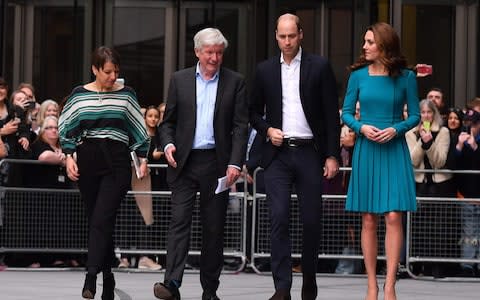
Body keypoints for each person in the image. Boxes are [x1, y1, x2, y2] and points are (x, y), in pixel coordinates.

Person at [153, 28, 248, 300]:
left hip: (217, 164)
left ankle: (210, 290)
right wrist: (168, 144)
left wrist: (235, 163)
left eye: (219, 53)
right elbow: (167, 122)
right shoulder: (179, 80)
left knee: (213, 228)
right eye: (209, 52)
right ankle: (171, 283)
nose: (214, 58)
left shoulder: (235, 82)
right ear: (197, 52)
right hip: (183, 162)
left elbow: (241, 127)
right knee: (179, 222)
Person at [250, 13, 340, 300]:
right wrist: (267, 130)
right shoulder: (264, 70)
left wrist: (332, 155)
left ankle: (309, 278)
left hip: (309, 153)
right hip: (277, 154)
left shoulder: (320, 66)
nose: (287, 41)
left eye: (292, 35)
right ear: (276, 36)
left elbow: (330, 115)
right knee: (278, 218)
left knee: (312, 220)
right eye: (282, 36)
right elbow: (251, 111)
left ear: (301, 34)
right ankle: (282, 287)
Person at [58, 46, 150, 300]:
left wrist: (141, 158)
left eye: (116, 71)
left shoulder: (127, 95)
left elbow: (139, 128)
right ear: (95, 70)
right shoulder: (79, 95)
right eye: (108, 72)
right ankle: (108, 275)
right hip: (87, 158)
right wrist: (68, 157)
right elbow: (65, 127)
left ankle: (90, 277)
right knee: (98, 221)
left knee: (101, 219)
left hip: (117, 160)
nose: (113, 77)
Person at [341, 22, 420, 300]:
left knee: (395, 216)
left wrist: (396, 128)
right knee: (368, 219)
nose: (364, 46)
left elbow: (415, 117)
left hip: (394, 147)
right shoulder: (358, 77)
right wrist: (361, 128)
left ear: (384, 45)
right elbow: (347, 113)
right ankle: (372, 284)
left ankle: (390, 284)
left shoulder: (407, 77)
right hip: (367, 147)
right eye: (365, 41)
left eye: (370, 41)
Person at [405, 99, 456, 278]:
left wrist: (430, 142)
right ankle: (420, 265)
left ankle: (439, 267)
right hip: (419, 185)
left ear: (434, 114)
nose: (426, 116)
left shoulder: (443, 132)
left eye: (429, 112)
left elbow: (439, 161)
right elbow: (413, 160)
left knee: (440, 228)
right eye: (422, 113)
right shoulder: (410, 133)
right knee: (420, 227)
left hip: (440, 185)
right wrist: (422, 141)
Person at [455, 108, 480, 277]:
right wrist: (459, 146)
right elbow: (453, 165)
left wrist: (475, 147)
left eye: (474, 123)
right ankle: (467, 265)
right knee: (468, 232)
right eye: (467, 123)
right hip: (466, 195)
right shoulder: (459, 140)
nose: (470, 127)